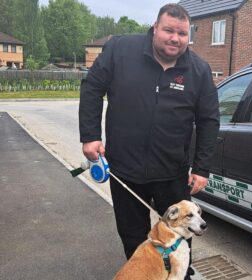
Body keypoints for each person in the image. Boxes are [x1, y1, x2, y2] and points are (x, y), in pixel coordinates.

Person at [78, 3, 220, 279]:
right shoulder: (120, 50)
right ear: (155, 28)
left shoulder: (199, 70)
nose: (174, 38)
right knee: (133, 236)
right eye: (168, 30)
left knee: (180, 234)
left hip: (172, 172)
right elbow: (92, 87)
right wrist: (90, 135)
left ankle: (180, 273)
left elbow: (209, 120)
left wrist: (202, 168)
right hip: (125, 169)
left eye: (182, 33)